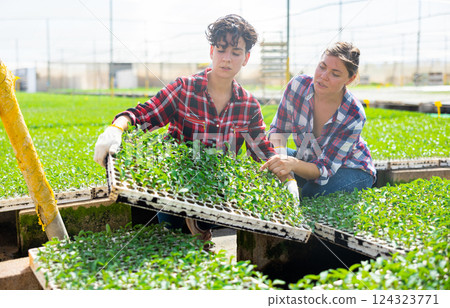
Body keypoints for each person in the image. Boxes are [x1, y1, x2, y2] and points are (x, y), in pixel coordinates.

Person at [94, 14, 297, 243]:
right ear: (212, 51)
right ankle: (189, 227)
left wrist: (289, 180)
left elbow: (262, 152)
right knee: (173, 237)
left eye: (236, 53)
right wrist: (116, 129)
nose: (227, 59)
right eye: (221, 50)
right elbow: (143, 114)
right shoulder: (185, 89)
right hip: (176, 183)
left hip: (217, 186)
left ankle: (202, 225)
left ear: (246, 58)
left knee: (230, 206)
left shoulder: (248, 105)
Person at [260, 42, 376, 199]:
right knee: (262, 154)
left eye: (335, 74)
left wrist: (292, 164)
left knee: (311, 193)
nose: (323, 76)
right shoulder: (297, 86)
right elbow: (278, 131)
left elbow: (325, 168)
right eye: (322, 67)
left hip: (350, 168)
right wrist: (280, 160)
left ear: (350, 79)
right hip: (309, 159)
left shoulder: (354, 114)